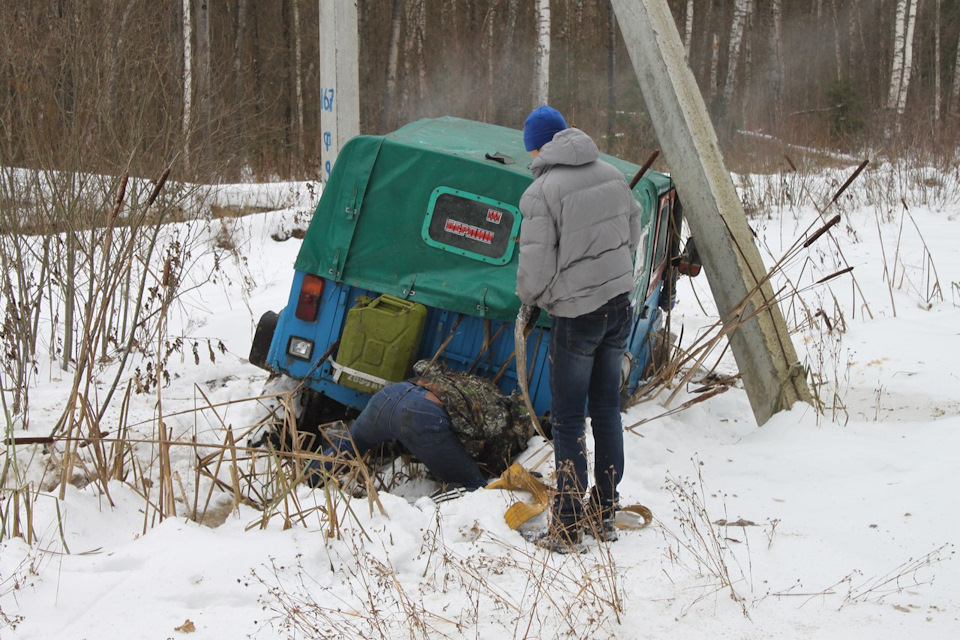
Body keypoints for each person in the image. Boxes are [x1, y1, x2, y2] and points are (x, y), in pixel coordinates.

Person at [516, 105, 640, 551]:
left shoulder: (541, 193)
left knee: (568, 419)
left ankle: (567, 526)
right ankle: (603, 513)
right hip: (618, 306)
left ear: (538, 146)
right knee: (606, 410)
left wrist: (534, 300)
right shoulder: (612, 175)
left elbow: (534, 270)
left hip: (576, 314)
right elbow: (633, 231)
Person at [305, 360, 535, 492]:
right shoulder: (502, 418)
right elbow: (482, 452)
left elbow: (425, 365)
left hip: (390, 394)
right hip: (421, 415)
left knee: (351, 446)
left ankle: (305, 482)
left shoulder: (477, 386)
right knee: (472, 485)